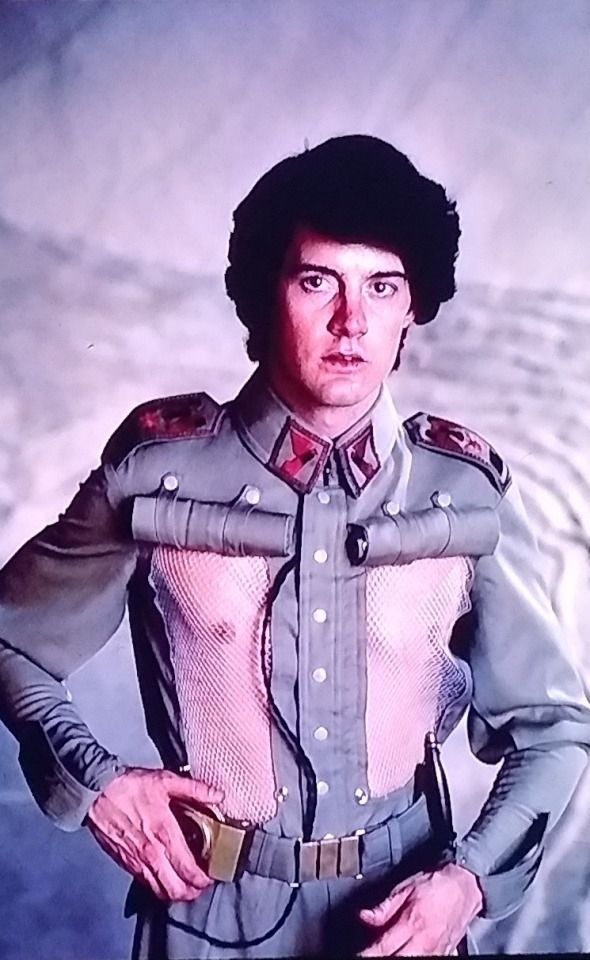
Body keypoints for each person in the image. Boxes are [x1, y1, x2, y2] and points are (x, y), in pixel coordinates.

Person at [0, 134, 588, 959]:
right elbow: (9, 638)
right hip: (208, 919)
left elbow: (553, 727)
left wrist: (469, 882)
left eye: (382, 286)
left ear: (413, 306)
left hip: (403, 922)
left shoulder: (463, 492)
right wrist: (97, 784)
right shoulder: (158, 471)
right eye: (318, 281)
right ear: (263, 293)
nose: (351, 322)